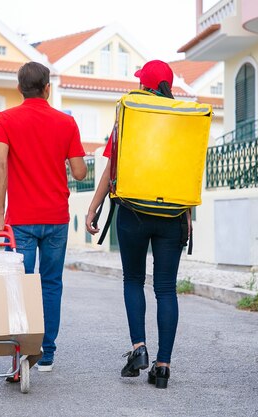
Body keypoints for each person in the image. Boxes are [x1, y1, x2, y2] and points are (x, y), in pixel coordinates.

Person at [86, 60, 187, 389]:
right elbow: (185, 175)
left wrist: (94, 206)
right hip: (172, 215)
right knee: (166, 289)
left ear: (145, 86)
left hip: (132, 212)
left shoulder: (129, 116)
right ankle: (163, 366)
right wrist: (187, 217)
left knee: (133, 280)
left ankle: (139, 349)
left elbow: (110, 169)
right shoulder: (183, 122)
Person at [0, 61, 87, 374]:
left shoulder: (5, 119)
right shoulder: (65, 122)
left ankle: (19, 353)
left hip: (20, 221)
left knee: (18, 284)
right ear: (47, 88)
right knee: (51, 284)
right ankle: (46, 354)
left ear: (19, 89)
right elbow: (81, 171)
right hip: (56, 217)